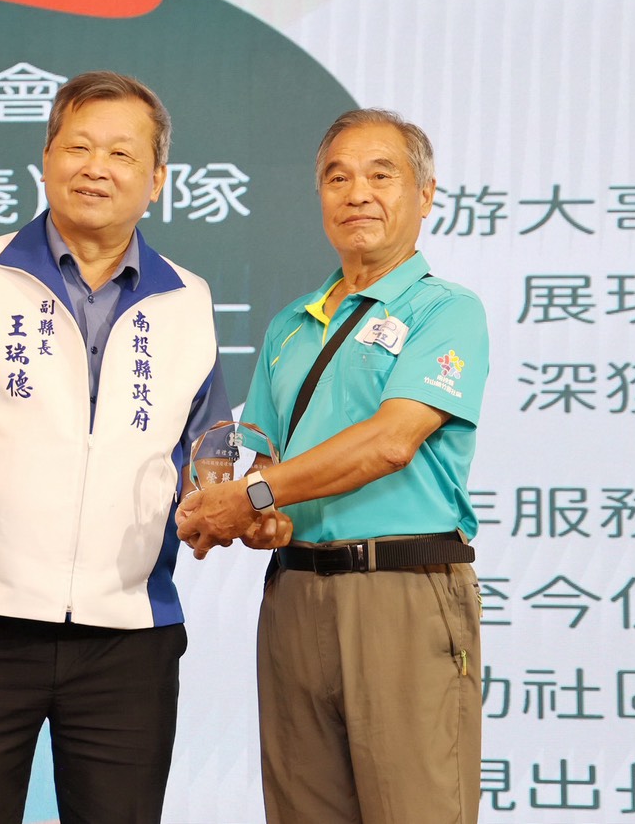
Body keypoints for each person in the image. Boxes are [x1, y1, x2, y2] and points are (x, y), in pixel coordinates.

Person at [0, 70, 230, 824]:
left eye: (120, 153)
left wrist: (221, 503)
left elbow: (208, 454)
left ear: (157, 179)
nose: (95, 167)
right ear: (45, 160)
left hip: (128, 638)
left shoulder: (190, 300)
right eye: (77, 147)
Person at [177, 108, 490, 824]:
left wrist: (254, 494)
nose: (358, 194)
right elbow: (270, 470)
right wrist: (256, 519)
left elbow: (390, 442)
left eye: (381, 175)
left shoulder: (446, 310)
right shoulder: (291, 324)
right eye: (337, 177)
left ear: (425, 194)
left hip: (401, 590)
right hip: (294, 596)